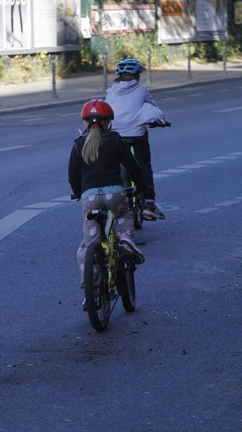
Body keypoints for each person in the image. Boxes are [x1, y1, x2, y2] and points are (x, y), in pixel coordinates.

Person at [68, 99, 147, 304]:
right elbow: (133, 166)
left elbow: (73, 176)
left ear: (85, 123)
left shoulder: (78, 144)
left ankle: (91, 286)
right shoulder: (114, 139)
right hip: (115, 194)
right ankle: (125, 240)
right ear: (108, 122)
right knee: (122, 215)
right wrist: (142, 186)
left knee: (89, 245)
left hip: (90, 198)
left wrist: (79, 193)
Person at [106, 58, 166, 221]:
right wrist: (161, 120)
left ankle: (112, 197)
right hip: (137, 133)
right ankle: (148, 204)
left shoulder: (111, 91)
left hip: (116, 133)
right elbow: (152, 106)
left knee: (114, 164)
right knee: (144, 165)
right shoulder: (141, 89)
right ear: (137, 76)